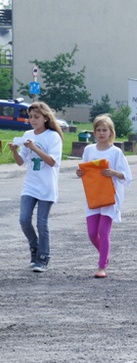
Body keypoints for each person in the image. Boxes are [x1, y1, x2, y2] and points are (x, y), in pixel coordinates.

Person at [75, 114, 133, 278]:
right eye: (98, 130)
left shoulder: (115, 152)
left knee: (103, 230)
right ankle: (105, 254)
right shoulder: (89, 150)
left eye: (104, 130)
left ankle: (102, 266)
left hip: (110, 197)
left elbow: (127, 176)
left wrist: (113, 172)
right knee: (92, 233)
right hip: (93, 196)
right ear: (94, 132)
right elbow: (86, 170)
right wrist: (80, 172)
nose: (101, 133)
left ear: (110, 132)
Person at [9, 101, 63, 273]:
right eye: (30, 117)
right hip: (30, 185)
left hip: (46, 186)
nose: (32, 120)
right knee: (24, 220)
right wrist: (15, 151)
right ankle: (35, 248)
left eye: (36, 117)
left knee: (42, 223)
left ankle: (43, 257)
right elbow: (21, 163)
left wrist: (34, 147)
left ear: (45, 118)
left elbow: (52, 161)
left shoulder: (53, 136)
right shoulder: (27, 134)